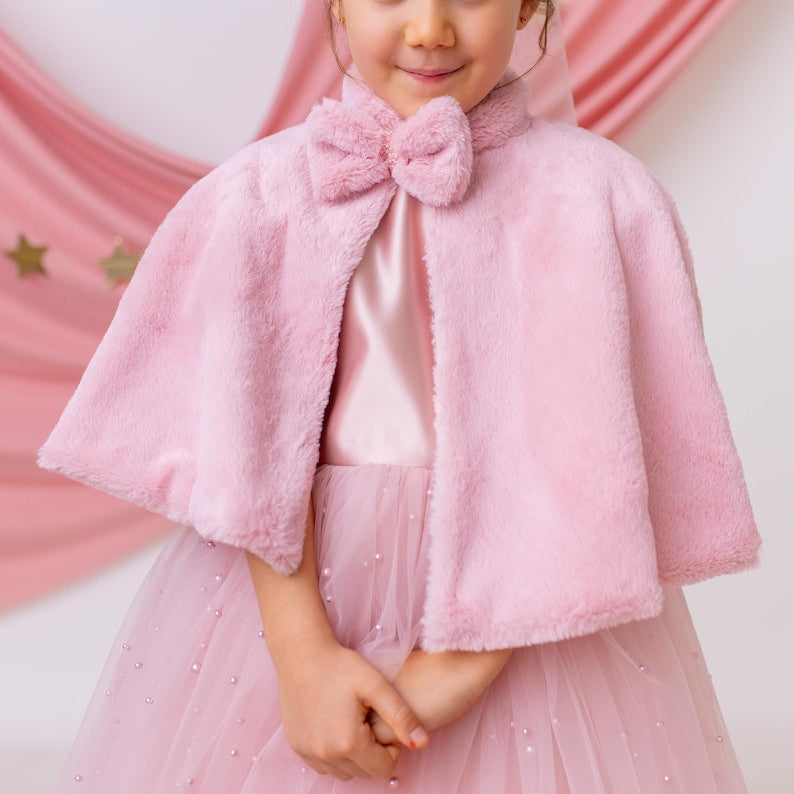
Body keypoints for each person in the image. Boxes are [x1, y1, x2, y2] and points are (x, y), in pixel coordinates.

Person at [39, 1, 761, 791]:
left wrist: (465, 663)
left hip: (535, 613)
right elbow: (237, 455)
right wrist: (302, 655)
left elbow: (606, 470)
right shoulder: (257, 195)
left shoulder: (603, 202)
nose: (429, 29)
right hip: (291, 598)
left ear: (527, 5)